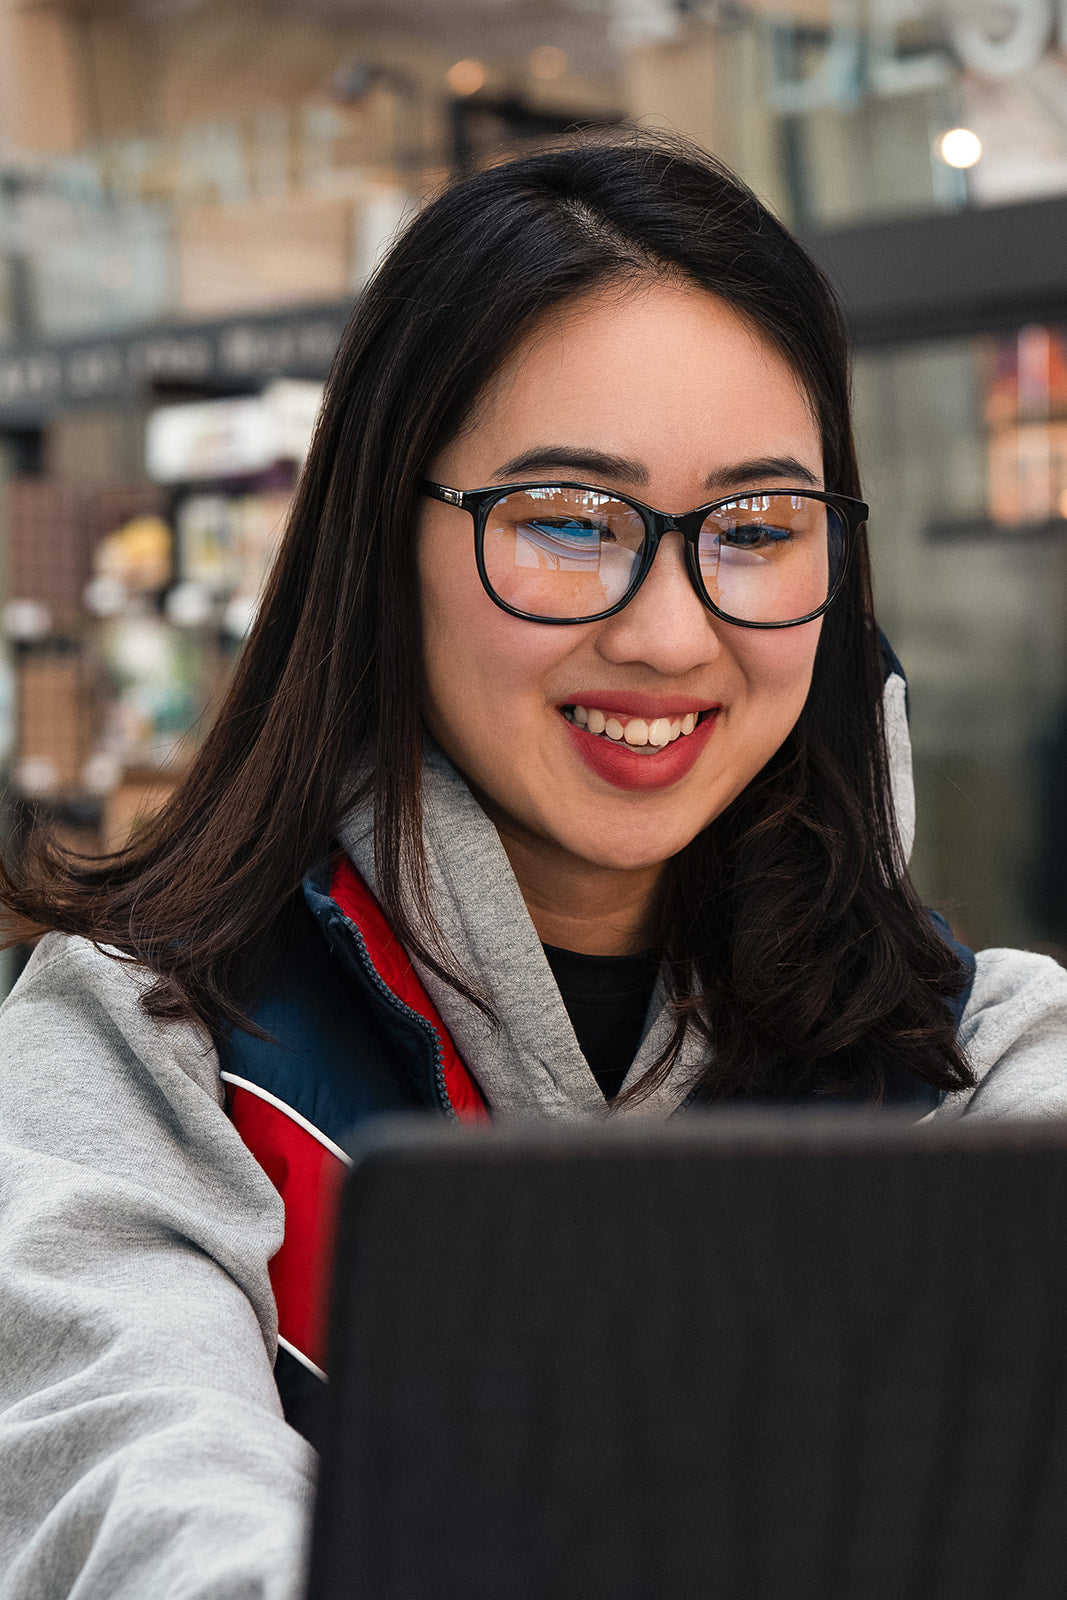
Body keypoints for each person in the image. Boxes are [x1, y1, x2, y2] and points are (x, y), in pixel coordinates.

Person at [0, 136, 1065, 1599]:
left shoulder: (983, 1064)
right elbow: (141, 1505)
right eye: (571, 520)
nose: (671, 635)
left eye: (755, 529)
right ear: (387, 538)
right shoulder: (149, 1055)